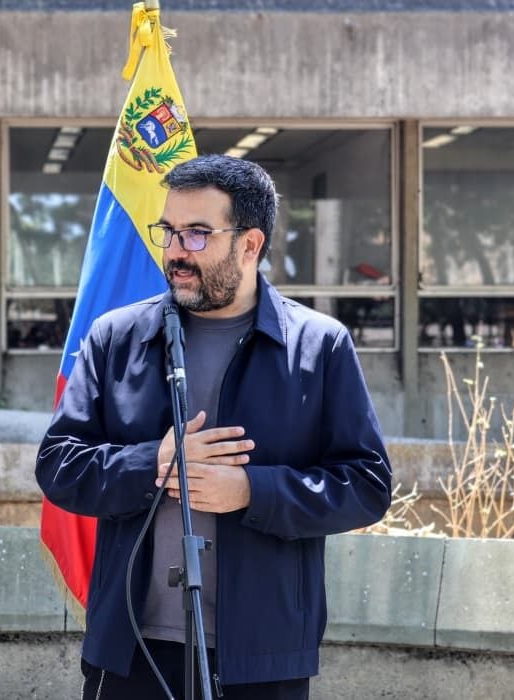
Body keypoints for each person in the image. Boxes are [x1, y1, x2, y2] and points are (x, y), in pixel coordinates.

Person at [36, 154, 392, 699]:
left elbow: (366, 486)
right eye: (170, 231)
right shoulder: (115, 338)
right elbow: (59, 464)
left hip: (262, 659)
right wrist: (149, 465)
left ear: (250, 245)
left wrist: (252, 490)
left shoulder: (319, 347)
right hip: (130, 652)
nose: (176, 250)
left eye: (198, 233)